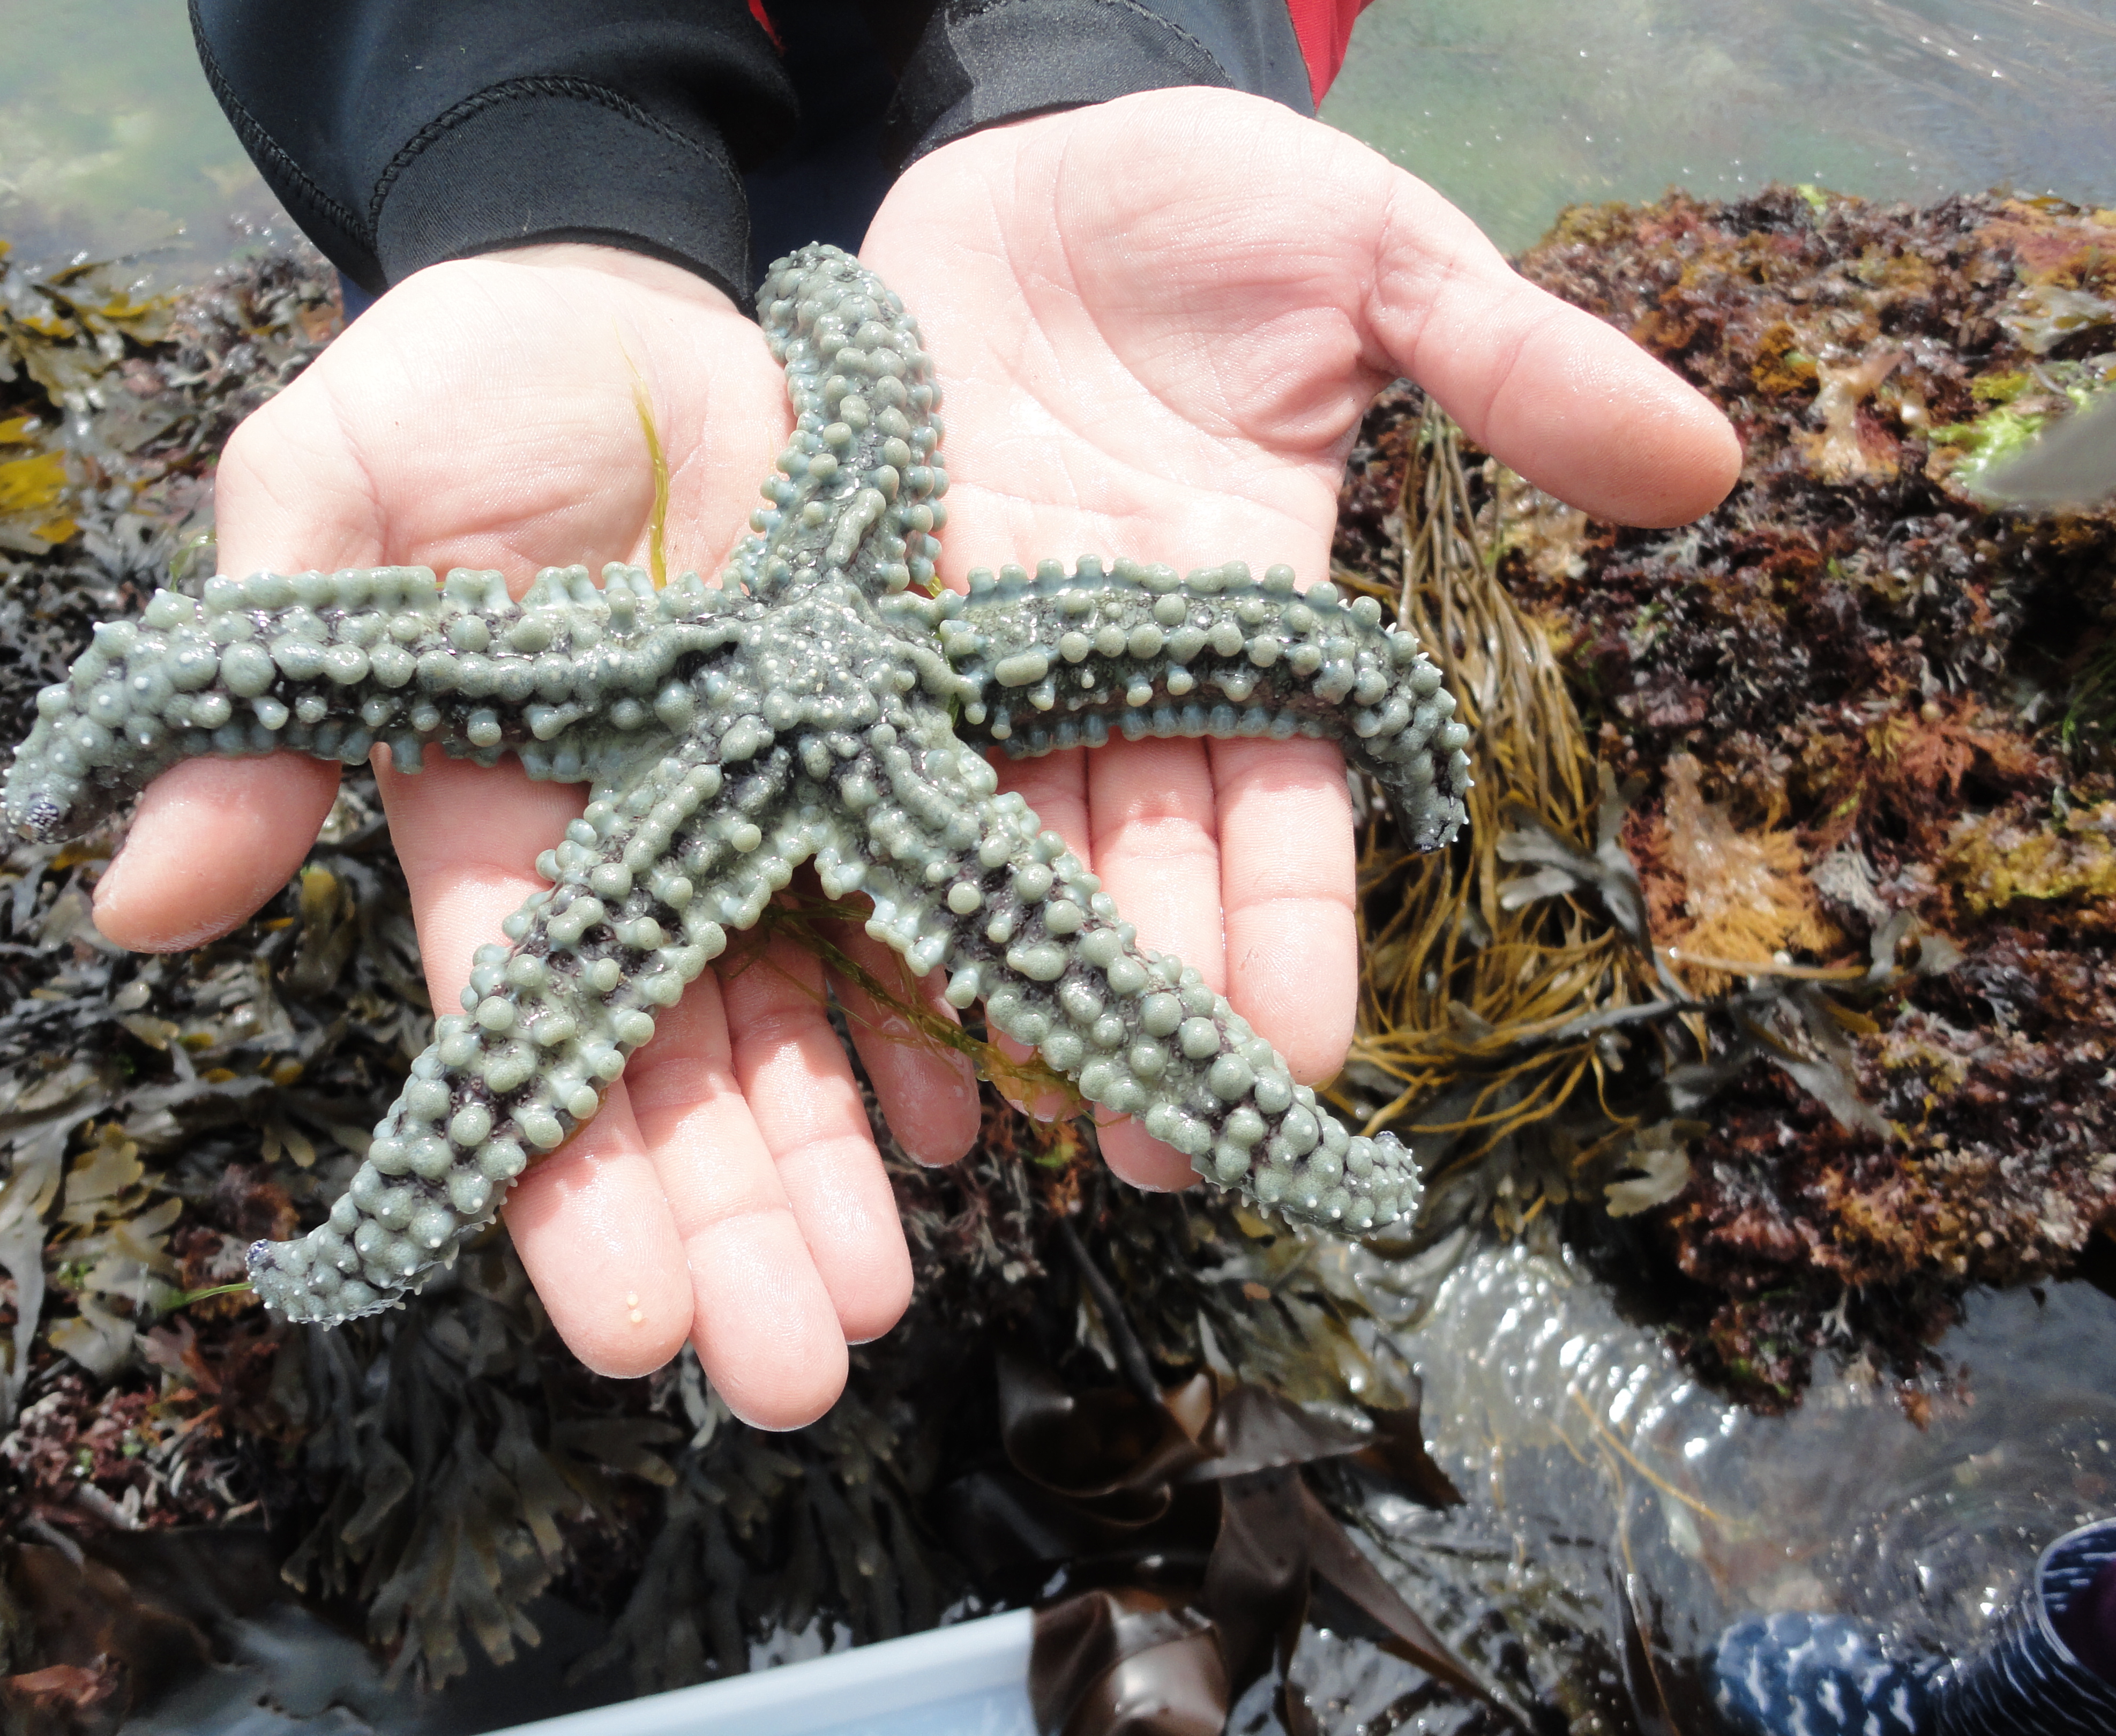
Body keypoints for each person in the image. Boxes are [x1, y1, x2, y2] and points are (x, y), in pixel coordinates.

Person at [102, 1, 1741, 1429]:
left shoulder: (854, 523)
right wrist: (525, 160)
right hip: (564, 186)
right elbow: (844, 366)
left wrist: (1102, 55)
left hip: (992, 180)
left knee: (1036, 1001)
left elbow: (879, 377)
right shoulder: (828, 551)